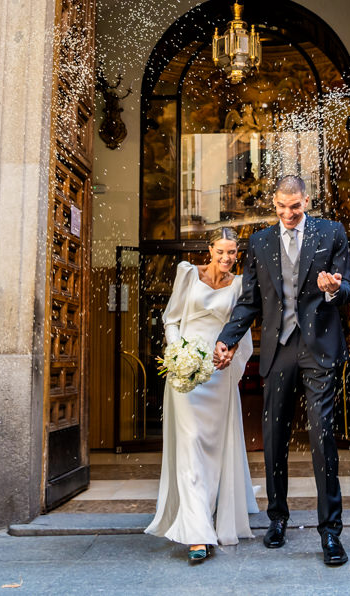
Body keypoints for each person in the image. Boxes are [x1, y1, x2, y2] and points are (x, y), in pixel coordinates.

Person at [214, 175, 350, 567]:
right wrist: (227, 338)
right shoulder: (259, 242)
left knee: (322, 435)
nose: (288, 214)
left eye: (295, 207)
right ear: (273, 203)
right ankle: (277, 518)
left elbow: (347, 292)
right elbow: (249, 303)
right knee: (274, 436)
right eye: (281, 207)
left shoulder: (331, 233)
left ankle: (331, 532)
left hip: (319, 349)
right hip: (278, 350)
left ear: (306, 201)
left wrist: (332, 288)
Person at [145, 228, 259, 562]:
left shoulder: (239, 286)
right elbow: (171, 320)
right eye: (220, 252)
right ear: (209, 249)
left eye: (232, 253)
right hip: (185, 373)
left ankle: (209, 515)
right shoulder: (188, 274)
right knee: (191, 442)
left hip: (218, 373)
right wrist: (178, 351)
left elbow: (241, 330)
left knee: (213, 450)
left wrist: (231, 353)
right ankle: (197, 532)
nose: (226, 259)